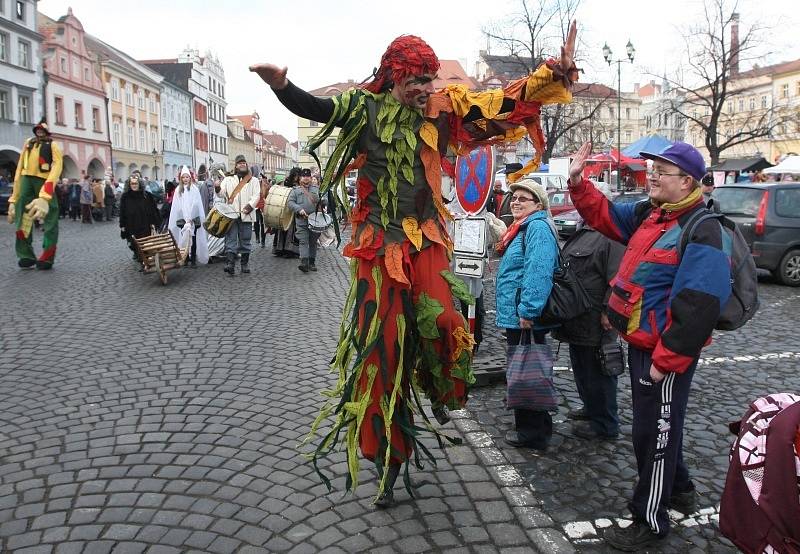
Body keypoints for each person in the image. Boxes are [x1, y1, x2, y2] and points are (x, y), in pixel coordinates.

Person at [250, 23, 579, 506]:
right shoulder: (364, 109)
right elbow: (317, 109)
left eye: (430, 78)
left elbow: (504, 104)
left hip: (426, 239)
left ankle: (442, 384)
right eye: (416, 80)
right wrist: (281, 86)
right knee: (382, 356)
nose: (425, 88)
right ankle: (388, 456)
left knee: (446, 318)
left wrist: (554, 71)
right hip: (378, 246)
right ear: (393, 78)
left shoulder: (444, 113)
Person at [567, 141, 732, 550]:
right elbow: (604, 215)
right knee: (659, 427)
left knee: (652, 435)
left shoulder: (702, 228)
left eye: (662, 170)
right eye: (652, 168)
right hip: (643, 344)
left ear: (688, 182)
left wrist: (667, 360)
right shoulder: (649, 213)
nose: (652, 175)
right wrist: (577, 181)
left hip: (665, 354)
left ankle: (649, 519)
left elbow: (700, 304)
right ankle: (681, 488)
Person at [551, 182, 624, 440]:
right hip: (578, 316)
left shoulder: (611, 234)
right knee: (582, 367)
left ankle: (605, 424)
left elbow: (618, 277)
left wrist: (609, 312)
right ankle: (590, 408)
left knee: (600, 370)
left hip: (597, 318)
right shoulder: (586, 229)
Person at [494, 179, 559, 450]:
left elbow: (539, 270)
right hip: (519, 313)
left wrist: (528, 310)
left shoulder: (537, 228)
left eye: (524, 198)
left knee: (527, 371)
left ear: (539, 204)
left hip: (525, 315)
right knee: (527, 369)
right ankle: (535, 424)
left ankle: (532, 432)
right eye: (515, 198)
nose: (516, 202)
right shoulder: (521, 228)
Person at [7, 119, 63, 269]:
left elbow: (57, 167)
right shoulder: (28, 143)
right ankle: (25, 254)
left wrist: (46, 194)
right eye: (37, 129)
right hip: (26, 179)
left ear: (46, 132)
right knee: (22, 216)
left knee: (50, 217)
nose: (39, 131)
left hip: (44, 180)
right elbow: (19, 168)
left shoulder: (53, 145)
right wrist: (14, 198)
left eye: (42, 130)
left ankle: (48, 256)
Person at [216, 155, 261, 275]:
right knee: (231, 239)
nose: (242, 165)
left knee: (245, 240)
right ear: (236, 166)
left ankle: (244, 264)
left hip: (246, 214)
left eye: (244, 163)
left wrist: (250, 206)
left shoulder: (254, 180)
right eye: (240, 163)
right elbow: (221, 194)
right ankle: (230, 264)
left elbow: (257, 195)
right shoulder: (228, 179)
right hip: (231, 214)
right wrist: (217, 187)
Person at [168, 166, 209, 268]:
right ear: (181, 179)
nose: (185, 179)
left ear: (190, 178)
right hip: (183, 220)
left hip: (193, 220)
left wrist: (191, 217)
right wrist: (184, 216)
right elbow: (177, 205)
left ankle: (193, 259)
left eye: (187, 177)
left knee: (193, 239)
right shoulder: (178, 190)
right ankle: (185, 258)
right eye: (183, 177)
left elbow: (196, 204)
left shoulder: (194, 189)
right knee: (184, 238)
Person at [288, 168, 325, 272]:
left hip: (315, 221)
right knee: (303, 241)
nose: (306, 178)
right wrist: (299, 209)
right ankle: (304, 262)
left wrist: (323, 201)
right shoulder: (295, 190)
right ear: (301, 178)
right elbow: (290, 203)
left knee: (313, 242)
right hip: (302, 220)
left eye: (308, 176)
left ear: (310, 178)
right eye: (304, 176)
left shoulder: (316, 189)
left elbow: (323, 201)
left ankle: (312, 262)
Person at [119, 172, 161, 260]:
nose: (134, 185)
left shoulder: (146, 195)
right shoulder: (125, 197)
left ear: (139, 184)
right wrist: (122, 225)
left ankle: (145, 261)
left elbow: (153, 209)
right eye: (132, 183)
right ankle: (141, 258)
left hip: (145, 224)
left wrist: (154, 222)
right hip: (131, 225)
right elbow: (122, 212)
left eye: (136, 183)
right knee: (134, 243)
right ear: (129, 184)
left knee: (146, 243)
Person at [272, 167, 301, 258]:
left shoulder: (301, 185)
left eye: (298, 175)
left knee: (292, 232)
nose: (296, 177)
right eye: (295, 175)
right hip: (286, 209)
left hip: (295, 210)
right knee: (282, 229)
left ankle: (291, 251)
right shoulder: (287, 183)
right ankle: (280, 249)